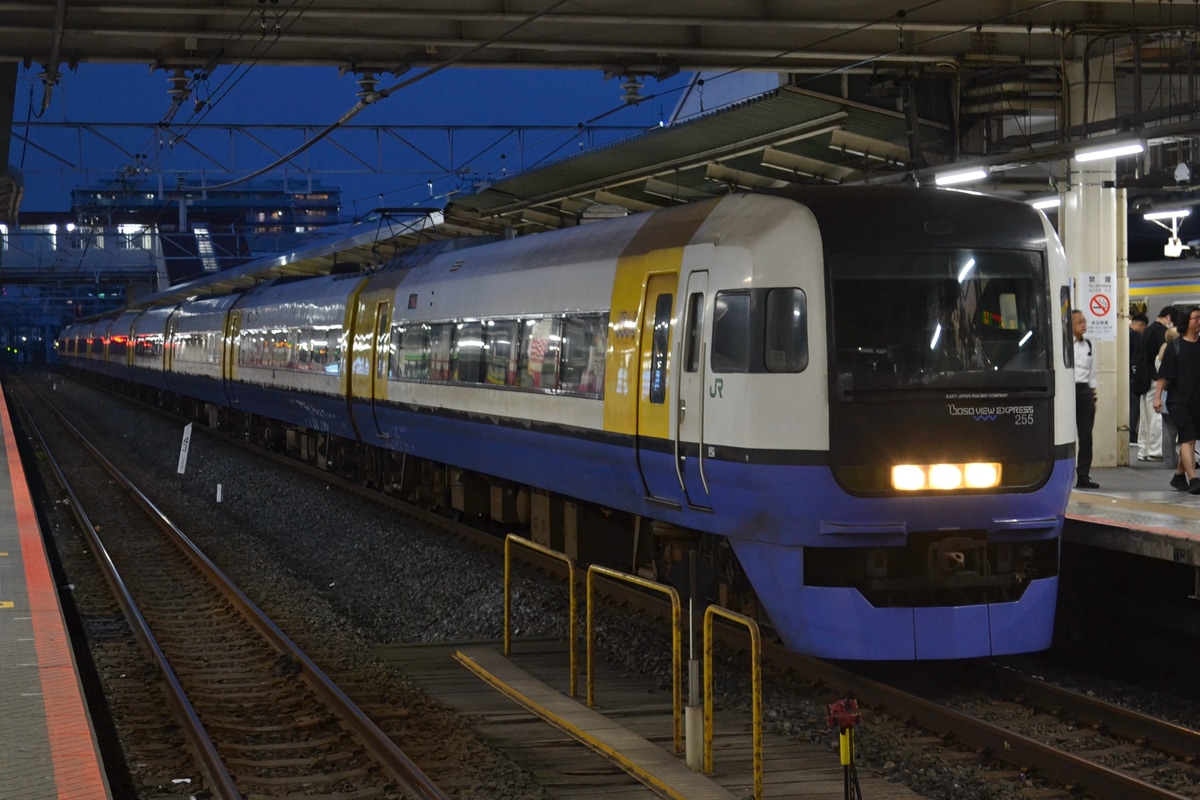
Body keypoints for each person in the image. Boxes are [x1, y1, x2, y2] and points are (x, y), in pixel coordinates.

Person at [1154, 307, 1200, 493]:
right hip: (1178, 401)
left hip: (1197, 401)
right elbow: (1163, 376)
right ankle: (1194, 479)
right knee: (1187, 438)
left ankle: (1179, 477)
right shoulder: (1175, 346)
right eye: (1195, 318)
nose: (1199, 321)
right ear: (1186, 322)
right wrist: (1157, 397)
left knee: (1191, 440)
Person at [1138, 305, 1176, 460]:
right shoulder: (1161, 332)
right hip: (1155, 378)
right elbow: (1162, 358)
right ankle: (1155, 449)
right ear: (1168, 317)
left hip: (1144, 379)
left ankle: (1143, 449)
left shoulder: (1147, 330)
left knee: (1145, 416)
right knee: (1156, 416)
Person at [1072, 309, 1099, 489]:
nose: (1083, 325)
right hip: (1067, 389)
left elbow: (1092, 373)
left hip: (1084, 390)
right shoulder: (1066, 345)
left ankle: (1083, 475)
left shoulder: (1089, 345)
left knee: (1086, 435)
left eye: (1084, 321)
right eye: (1079, 322)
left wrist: (1093, 395)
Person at [1158, 328, 1182, 469]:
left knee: (1168, 431)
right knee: (1184, 431)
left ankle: (1170, 459)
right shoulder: (1174, 354)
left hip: (1163, 396)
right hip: (1174, 396)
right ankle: (1182, 460)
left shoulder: (1161, 353)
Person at [1129, 312, 1150, 447]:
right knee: (1133, 407)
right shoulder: (1135, 337)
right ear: (1141, 325)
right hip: (1133, 379)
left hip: (1128, 377)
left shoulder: (1126, 335)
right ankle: (1131, 434)